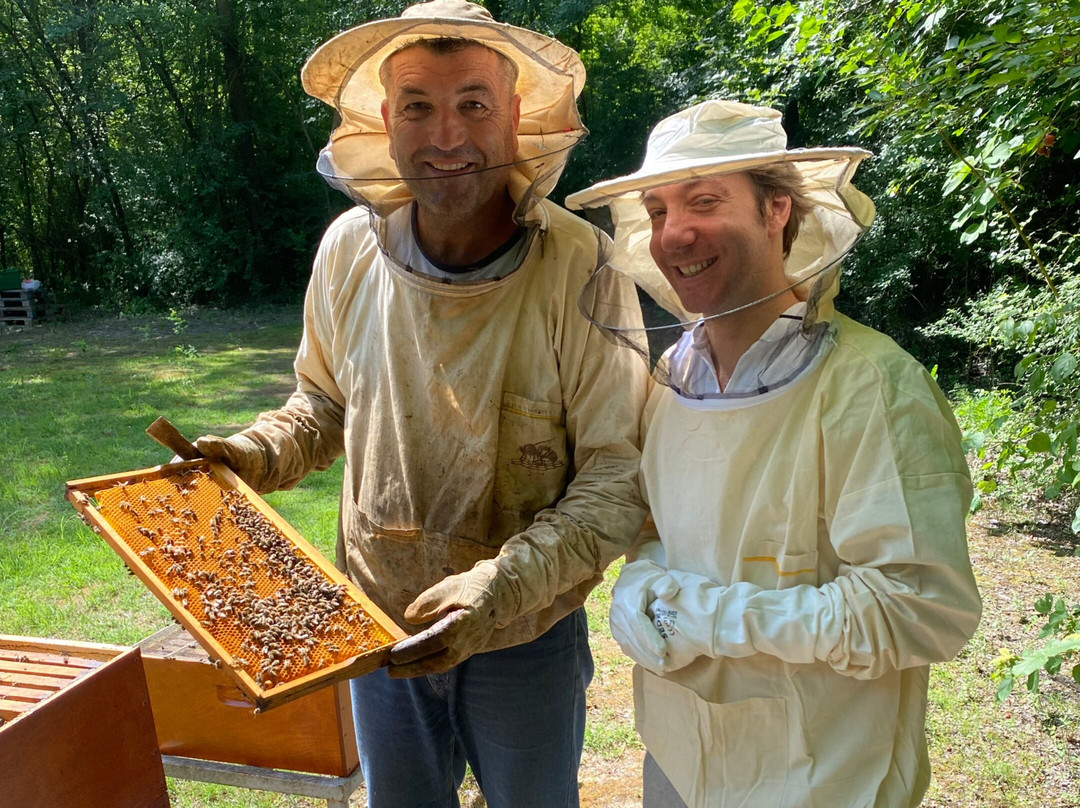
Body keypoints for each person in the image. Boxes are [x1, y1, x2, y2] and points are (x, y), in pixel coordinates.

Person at [188, 2, 649, 805]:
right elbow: (323, 404)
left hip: (524, 633)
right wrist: (254, 453)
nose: (446, 137)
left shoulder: (585, 265)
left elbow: (619, 475)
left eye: (473, 103)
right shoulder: (346, 252)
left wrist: (500, 585)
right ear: (384, 120)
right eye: (418, 106)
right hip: (373, 619)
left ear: (514, 117)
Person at [564, 100, 982, 808]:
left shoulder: (871, 384)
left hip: (821, 772)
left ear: (776, 211)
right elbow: (661, 531)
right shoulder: (673, 379)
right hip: (676, 755)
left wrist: (709, 617)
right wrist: (645, 581)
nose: (676, 232)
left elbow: (922, 606)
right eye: (659, 209)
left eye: (704, 201)